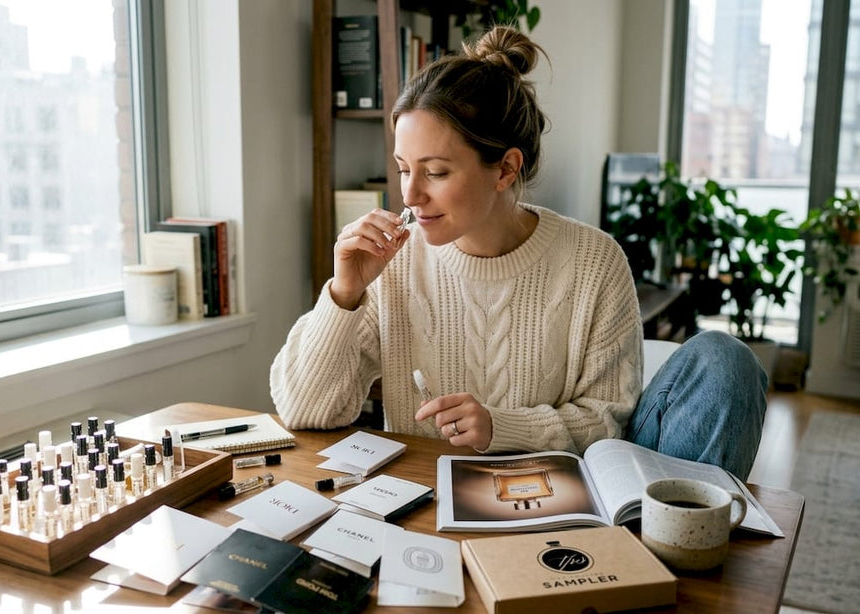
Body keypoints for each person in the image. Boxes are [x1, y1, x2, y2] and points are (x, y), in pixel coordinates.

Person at [271, 26, 767, 479]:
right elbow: (306, 412)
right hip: (428, 499)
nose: (410, 195)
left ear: (506, 169)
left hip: (560, 493)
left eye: (436, 172)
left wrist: (499, 428)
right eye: (404, 168)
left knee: (727, 361)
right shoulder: (392, 262)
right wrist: (344, 293)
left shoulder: (596, 262)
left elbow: (609, 423)